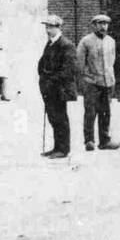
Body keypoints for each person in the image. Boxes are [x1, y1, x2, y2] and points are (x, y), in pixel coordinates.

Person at [76, 14, 120, 151]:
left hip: (107, 83)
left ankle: (105, 140)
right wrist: (84, 81)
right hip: (92, 83)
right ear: (93, 25)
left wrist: (110, 79)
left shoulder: (111, 41)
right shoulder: (85, 41)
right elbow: (79, 64)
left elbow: (112, 61)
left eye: (106, 24)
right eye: (100, 24)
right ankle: (89, 141)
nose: (103, 27)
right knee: (90, 112)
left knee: (106, 112)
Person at [37, 14, 77, 158]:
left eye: (51, 27)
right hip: (49, 88)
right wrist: (43, 77)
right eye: (46, 27)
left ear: (58, 27)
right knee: (53, 117)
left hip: (60, 89)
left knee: (60, 118)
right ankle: (56, 147)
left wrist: (51, 80)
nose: (47, 30)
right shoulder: (50, 43)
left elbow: (68, 70)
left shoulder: (66, 45)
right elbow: (42, 63)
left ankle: (63, 149)